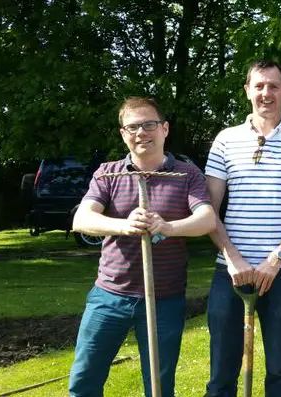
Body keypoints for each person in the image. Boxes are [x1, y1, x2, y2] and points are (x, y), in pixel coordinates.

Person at [69, 97, 217, 397]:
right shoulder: (108, 173)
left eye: (149, 124)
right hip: (109, 296)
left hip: (164, 299)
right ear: (123, 133)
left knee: (159, 387)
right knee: (85, 378)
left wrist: (167, 227)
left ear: (164, 129)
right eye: (132, 127)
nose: (141, 133)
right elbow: (82, 218)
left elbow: (207, 219)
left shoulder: (187, 175)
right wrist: (125, 225)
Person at [204, 59, 281, 396]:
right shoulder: (226, 140)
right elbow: (208, 210)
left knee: (279, 373)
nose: (266, 93)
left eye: (273, 86)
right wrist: (234, 260)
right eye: (259, 86)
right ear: (247, 91)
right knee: (221, 375)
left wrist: (277, 258)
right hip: (231, 272)